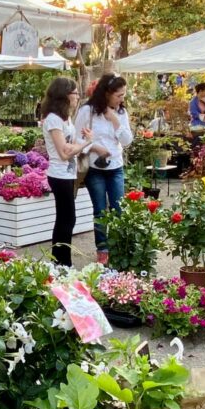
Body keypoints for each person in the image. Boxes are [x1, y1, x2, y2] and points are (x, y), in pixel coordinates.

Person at [75, 73, 134, 265]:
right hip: (94, 167)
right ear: (106, 93)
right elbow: (76, 140)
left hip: (115, 166)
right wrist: (94, 147)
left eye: (124, 95)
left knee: (119, 208)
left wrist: (114, 119)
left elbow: (127, 141)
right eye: (119, 95)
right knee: (100, 209)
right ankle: (102, 249)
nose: (122, 99)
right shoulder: (87, 111)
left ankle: (117, 247)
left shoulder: (121, 113)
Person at [41, 77, 95, 266]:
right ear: (65, 95)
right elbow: (64, 152)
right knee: (66, 219)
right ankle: (62, 263)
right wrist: (87, 143)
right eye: (75, 93)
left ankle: (61, 261)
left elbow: (70, 145)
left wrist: (81, 142)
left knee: (66, 218)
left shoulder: (65, 117)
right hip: (59, 174)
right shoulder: (53, 119)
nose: (78, 96)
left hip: (68, 173)